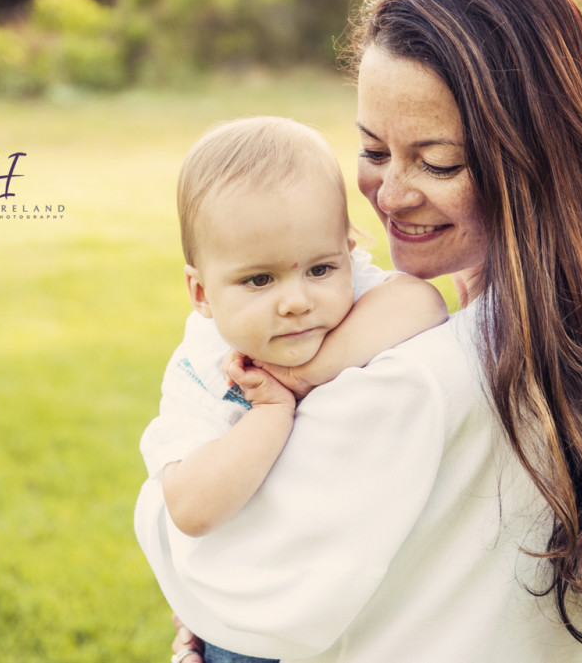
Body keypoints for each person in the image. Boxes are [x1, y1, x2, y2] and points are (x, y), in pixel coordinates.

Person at [141, 0, 582, 661]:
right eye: (373, 149)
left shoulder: (412, 381)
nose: (390, 193)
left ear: (531, 160)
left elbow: (224, 576)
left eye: (438, 163)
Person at [137, 115, 448, 663]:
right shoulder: (206, 369)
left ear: (350, 250)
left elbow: (423, 304)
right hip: (249, 634)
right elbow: (189, 507)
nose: (297, 300)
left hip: (349, 614)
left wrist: (302, 377)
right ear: (202, 292)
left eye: (320, 268)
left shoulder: (354, 291)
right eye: (259, 280)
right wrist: (268, 415)